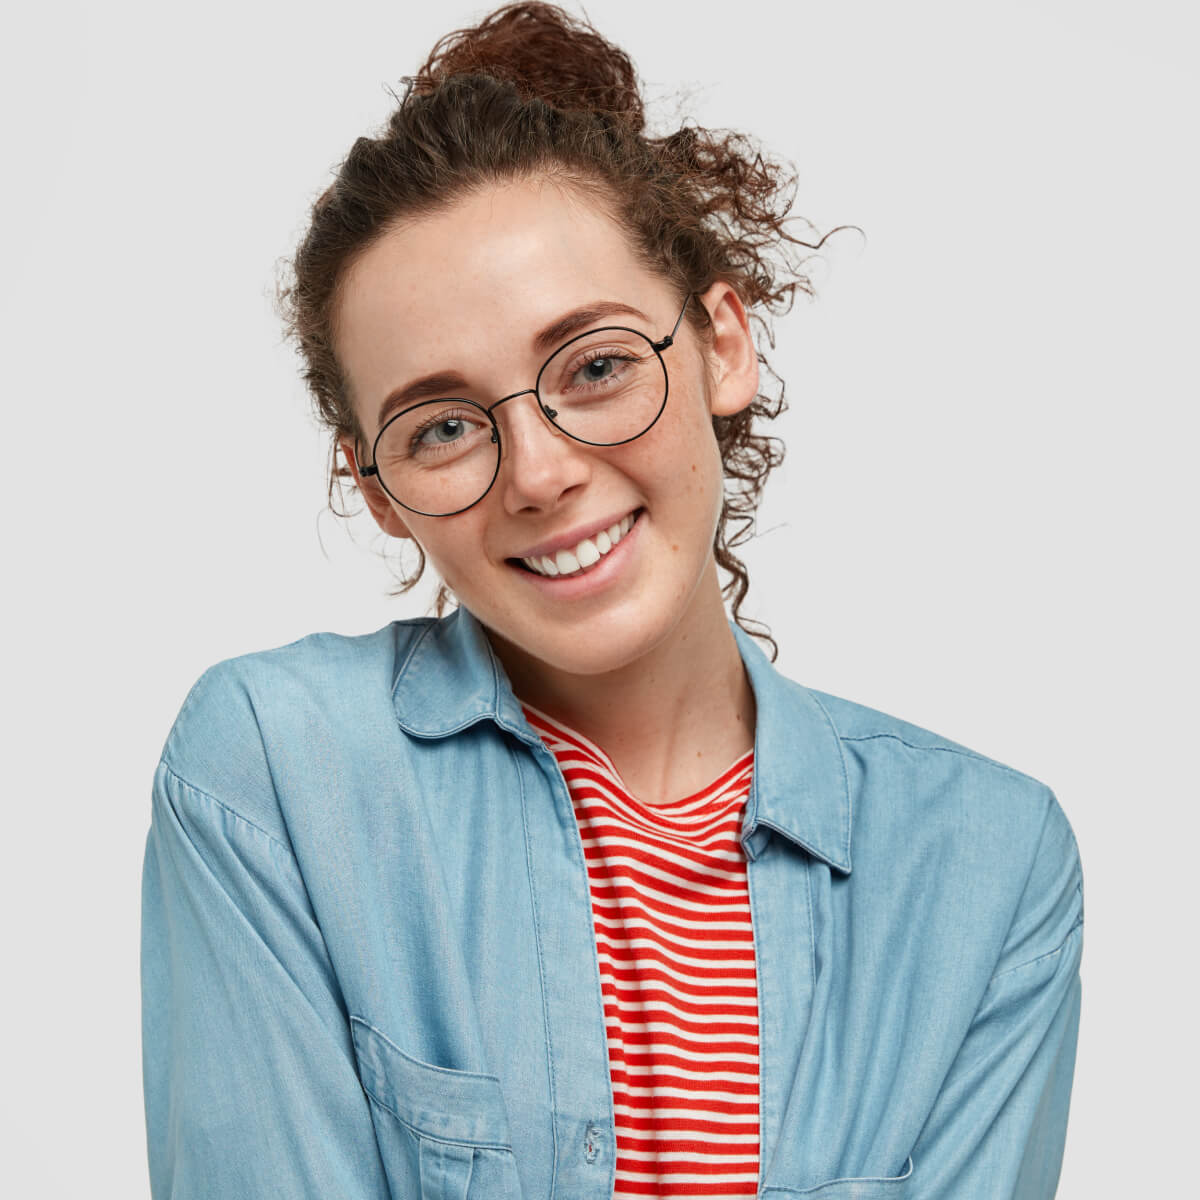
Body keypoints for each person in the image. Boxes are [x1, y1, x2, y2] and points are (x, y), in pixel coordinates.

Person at [139, 4, 1084, 1197]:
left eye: (595, 366)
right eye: (441, 428)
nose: (539, 475)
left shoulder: (991, 866)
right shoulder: (278, 774)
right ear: (376, 489)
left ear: (722, 345)